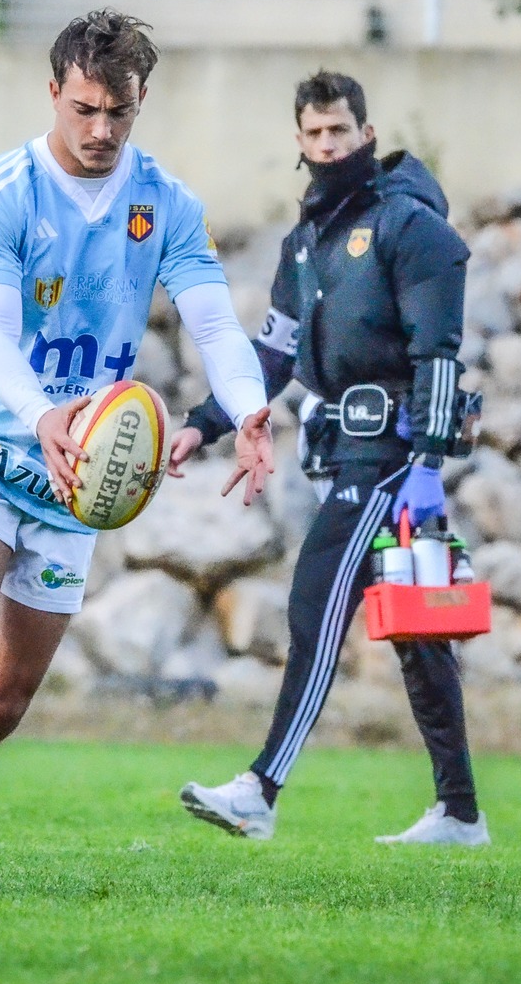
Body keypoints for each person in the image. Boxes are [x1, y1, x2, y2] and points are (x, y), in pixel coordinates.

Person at [0, 10, 276, 894]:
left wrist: (248, 410)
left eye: (119, 114)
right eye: (85, 109)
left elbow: (212, 317)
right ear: (53, 92)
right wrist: (41, 414)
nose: (100, 131)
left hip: (81, 477)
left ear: (140, 104)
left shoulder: (165, 204)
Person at [174, 71, 486, 845]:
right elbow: (272, 357)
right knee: (417, 636)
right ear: (299, 141)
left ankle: (261, 790)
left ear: (366, 135)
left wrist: (425, 469)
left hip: (391, 459)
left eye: (339, 133)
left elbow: (438, 355)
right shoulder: (304, 244)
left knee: (316, 600)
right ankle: (460, 813)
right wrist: (205, 422)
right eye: (313, 135)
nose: (326, 147)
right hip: (338, 452)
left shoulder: (411, 228)